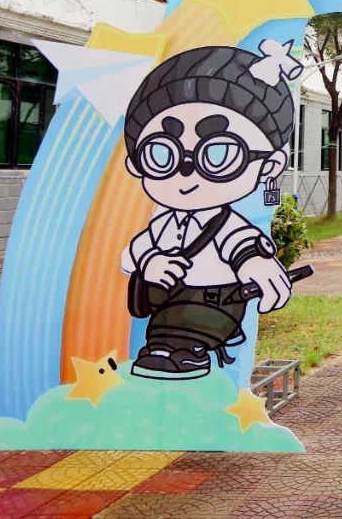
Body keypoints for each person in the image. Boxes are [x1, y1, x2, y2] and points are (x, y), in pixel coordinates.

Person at [120, 43, 300, 380]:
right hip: (168, 300)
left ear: (269, 165)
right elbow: (134, 252)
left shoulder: (227, 224)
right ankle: (164, 350)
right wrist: (151, 262)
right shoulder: (163, 222)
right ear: (136, 164)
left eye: (218, 154)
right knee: (163, 326)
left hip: (215, 301)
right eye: (162, 154)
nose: (186, 172)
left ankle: (184, 350)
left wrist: (256, 264)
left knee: (191, 324)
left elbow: (242, 245)